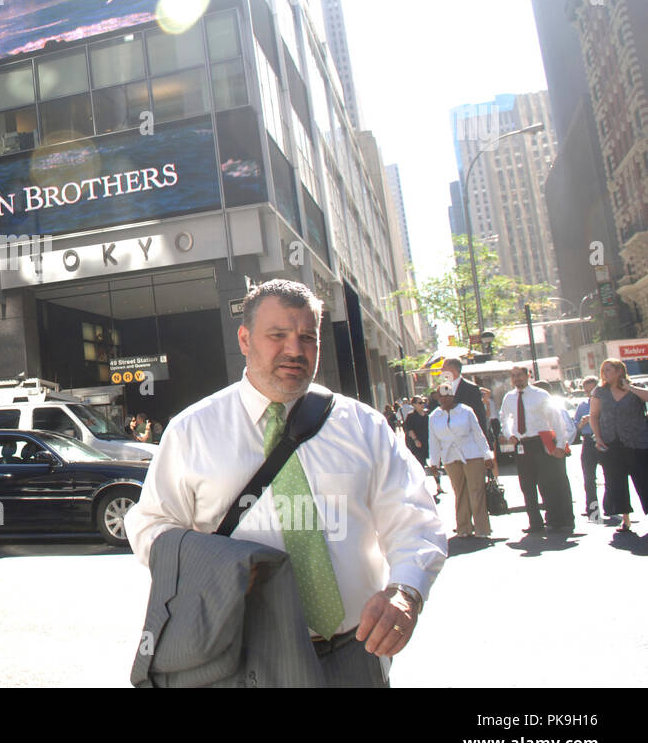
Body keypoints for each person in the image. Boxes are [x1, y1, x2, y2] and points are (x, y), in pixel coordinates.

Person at [126, 279, 447, 687]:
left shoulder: (362, 426)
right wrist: (217, 565)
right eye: (277, 335)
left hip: (355, 655)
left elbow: (415, 518)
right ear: (245, 339)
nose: (295, 350)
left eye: (307, 338)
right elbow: (150, 525)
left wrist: (406, 592)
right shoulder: (193, 430)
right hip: (241, 658)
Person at [499, 365, 574, 535]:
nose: (517, 378)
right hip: (521, 444)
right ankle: (535, 522)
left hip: (540, 441)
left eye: (520, 375)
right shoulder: (509, 397)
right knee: (526, 485)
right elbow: (505, 418)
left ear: (527, 376)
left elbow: (555, 420)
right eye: (513, 376)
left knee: (546, 483)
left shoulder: (540, 395)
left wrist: (561, 445)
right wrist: (509, 434)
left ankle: (554, 519)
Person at [588, 359, 648, 533]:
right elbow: (593, 415)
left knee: (644, 479)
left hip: (637, 441)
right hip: (611, 442)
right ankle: (626, 518)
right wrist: (598, 437)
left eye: (609, 370)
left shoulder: (634, 387)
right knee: (616, 481)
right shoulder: (600, 391)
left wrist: (629, 388)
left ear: (619, 371)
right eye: (603, 370)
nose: (605, 373)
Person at [428, 382, 495, 538]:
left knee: (476, 490)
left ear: (453, 395)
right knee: (459, 491)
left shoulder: (466, 411)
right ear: (437, 398)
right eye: (441, 396)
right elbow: (433, 441)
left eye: (447, 395)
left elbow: (478, 434)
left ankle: (482, 529)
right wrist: (433, 463)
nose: (444, 399)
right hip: (450, 456)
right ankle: (463, 527)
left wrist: (487, 455)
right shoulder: (434, 417)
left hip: (471, 454)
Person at [572, 375, 601, 522]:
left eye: (593, 389)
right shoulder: (582, 405)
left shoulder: (604, 402)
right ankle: (592, 509)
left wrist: (594, 417)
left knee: (610, 475)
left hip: (602, 440)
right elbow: (575, 426)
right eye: (587, 390)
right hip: (588, 441)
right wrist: (582, 423)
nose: (590, 393)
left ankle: (612, 505)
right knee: (589, 478)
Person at [403, 397, 443, 500]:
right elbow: (409, 429)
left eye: (423, 403)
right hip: (418, 445)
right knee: (420, 466)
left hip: (429, 442)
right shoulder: (411, 416)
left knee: (435, 464)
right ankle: (421, 488)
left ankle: (439, 486)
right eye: (420, 403)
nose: (422, 405)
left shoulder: (427, 415)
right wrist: (415, 440)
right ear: (414, 405)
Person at [440, 358, 488, 434]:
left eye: (443, 368)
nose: (441, 370)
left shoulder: (471, 388)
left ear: (452, 369)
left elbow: (479, 415)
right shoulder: (443, 388)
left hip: (468, 436)